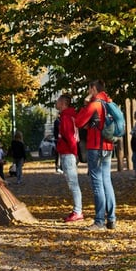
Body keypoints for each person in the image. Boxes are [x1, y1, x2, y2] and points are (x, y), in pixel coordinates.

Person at [74, 80, 117, 230]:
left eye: (88, 88)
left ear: (93, 89)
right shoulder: (109, 103)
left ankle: (99, 221)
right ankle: (111, 219)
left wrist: (85, 104)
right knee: (107, 181)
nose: (87, 91)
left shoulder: (94, 104)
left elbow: (79, 122)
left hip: (95, 146)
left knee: (97, 184)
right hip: (108, 146)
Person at [55, 93, 83, 223]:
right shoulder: (70, 116)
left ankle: (78, 211)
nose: (56, 103)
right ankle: (77, 210)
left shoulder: (66, 117)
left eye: (58, 101)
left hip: (68, 153)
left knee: (73, 183)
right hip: (68, 152)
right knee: (72, 183)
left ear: (64, 103)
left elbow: (70, 137)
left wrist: (74, 152)